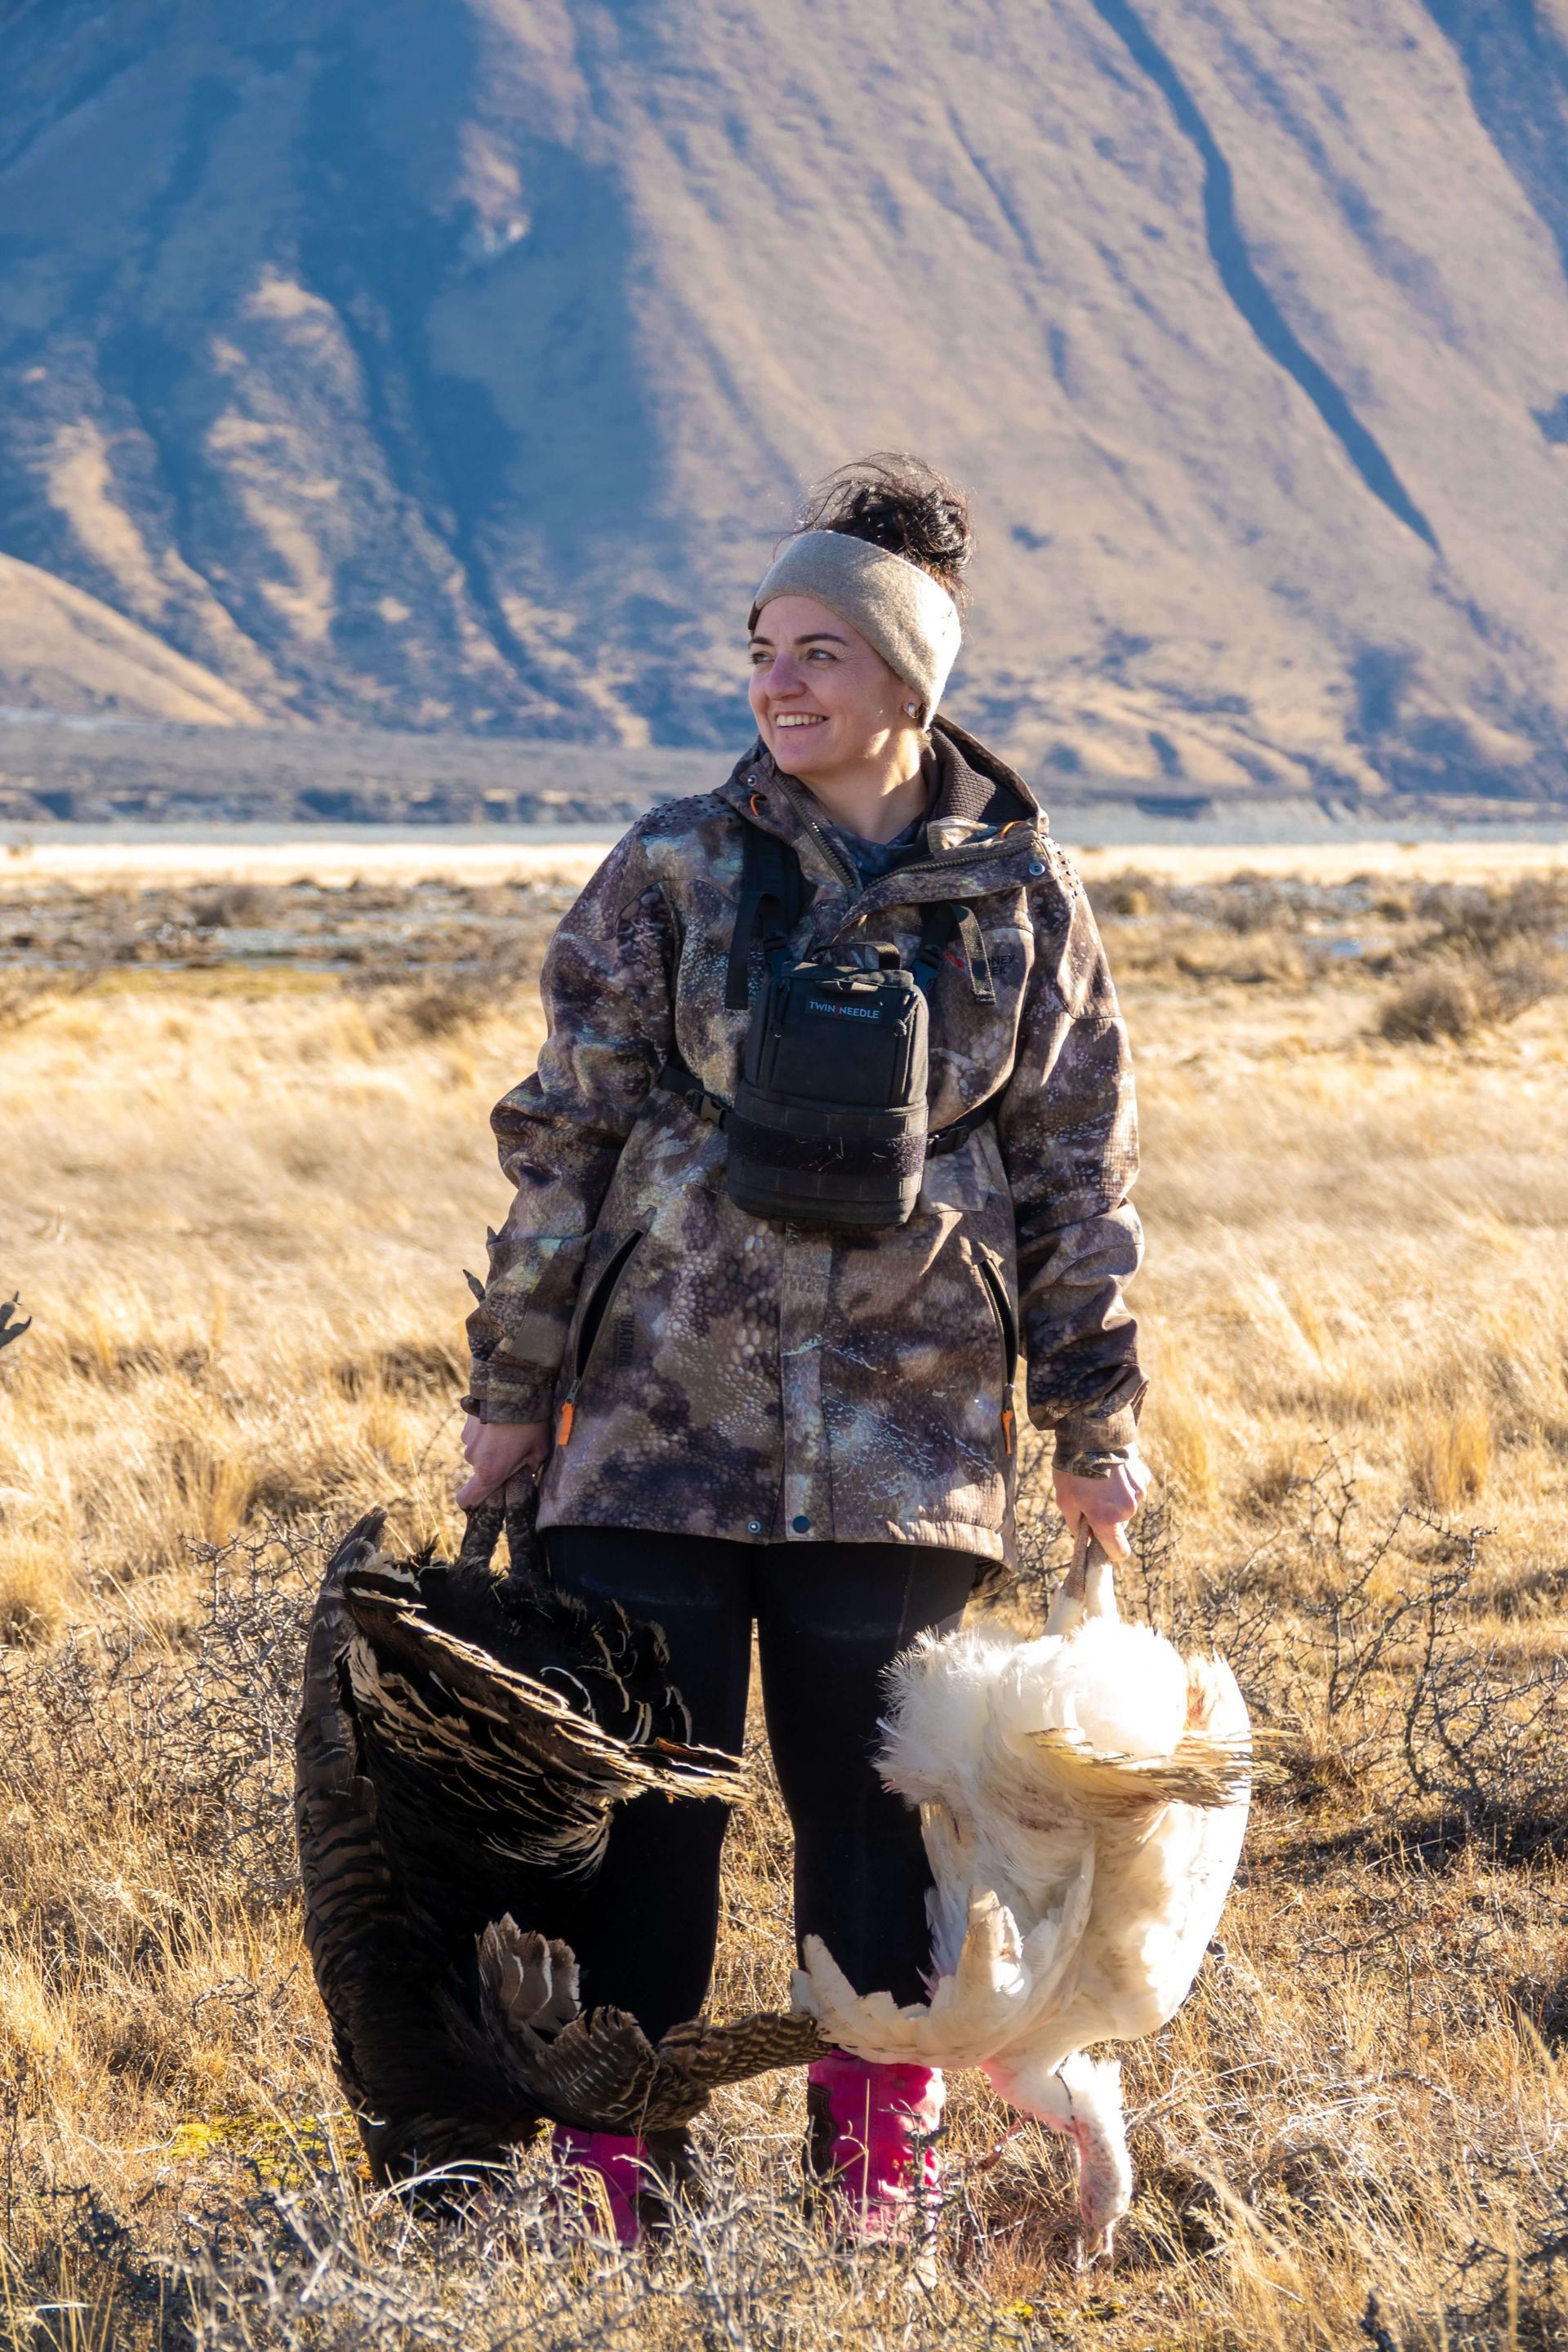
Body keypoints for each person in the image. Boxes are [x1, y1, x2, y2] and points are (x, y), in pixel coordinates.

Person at [457, 454, 1148, 2242]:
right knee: (638, 1828)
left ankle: (872, 2192)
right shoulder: (671, 867)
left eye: (823, 650)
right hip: (648, 1439)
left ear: (912, 681)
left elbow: (1078, 1166)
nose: (781, 681)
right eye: (765, 647)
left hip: (909, 1452)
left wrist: (1095, 1417)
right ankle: (622, 2186)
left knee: (879, 1835)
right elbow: (563, 1143)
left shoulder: (1023, 899)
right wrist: (511, 1398)